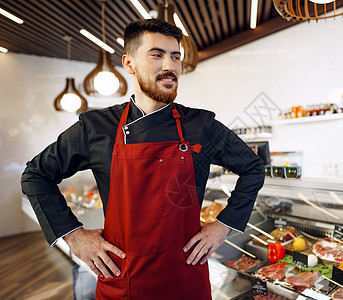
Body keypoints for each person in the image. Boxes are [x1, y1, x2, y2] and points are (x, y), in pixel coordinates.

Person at [21, 19, 265, 299]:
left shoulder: (201, 125)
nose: (170, 66)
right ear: (129, 64)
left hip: (186, 277)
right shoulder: (97, 127)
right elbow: (35, 176)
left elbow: (254, 167)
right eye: (157, 55)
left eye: (175, 56)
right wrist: (74, 235)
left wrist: (224, 225)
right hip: (123, 279)